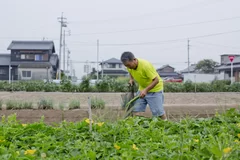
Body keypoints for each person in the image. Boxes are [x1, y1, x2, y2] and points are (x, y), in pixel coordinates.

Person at [120, 51, 167, 120]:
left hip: (155, 90)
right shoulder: (129, 67)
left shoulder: (145, 66)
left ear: (134, 60)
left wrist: (146, 90)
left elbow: (156, 80)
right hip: (142, 89)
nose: (128, 67)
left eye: (129, 65)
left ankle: (166, 125)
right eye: (126, 66)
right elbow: (130, 71)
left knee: (158, 113)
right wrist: (131, 79)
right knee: (136, 110)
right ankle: (138, 127)